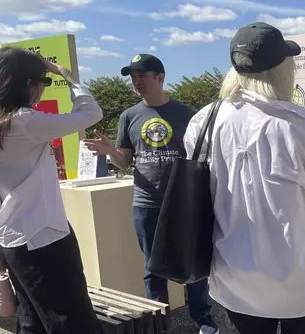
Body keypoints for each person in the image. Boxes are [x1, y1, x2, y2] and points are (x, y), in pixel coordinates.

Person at [184, 22, 305, 334]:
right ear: (281, 69)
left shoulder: (203, 122)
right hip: (300, 279)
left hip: (235, 278)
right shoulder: (297, 125)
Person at [83, 53, 219, 334]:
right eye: (133, 77)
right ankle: (159, 325)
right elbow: (125, 162)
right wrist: (110, 152)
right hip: (145, 203)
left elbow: (200, 159)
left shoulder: (187, 115)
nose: (136, 82)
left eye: (142, 75)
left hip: (182, 203)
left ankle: (202, 318)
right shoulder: (128, 116)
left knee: (191, 262)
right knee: (152, 268)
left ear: (160, 77)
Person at [0, 47, 103, 333]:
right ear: (28, 84)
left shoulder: (7, 123)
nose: (44, 90)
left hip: (15, 237)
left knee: (31, 319)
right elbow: (91, 112)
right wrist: (67, 77)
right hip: (43, 236)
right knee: (71, 320)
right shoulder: (24, 122)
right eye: (43, 82)